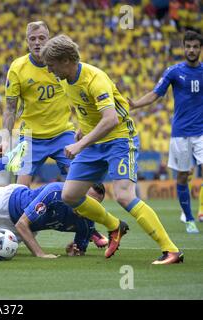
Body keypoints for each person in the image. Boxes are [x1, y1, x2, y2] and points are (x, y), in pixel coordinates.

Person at [40, 35, 183, 265]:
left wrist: (79, 144)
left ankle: (171, 251)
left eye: (51, 64)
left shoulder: (95, 79)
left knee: (124, 195)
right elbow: (86, 110)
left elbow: (110, 119)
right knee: (70, 195)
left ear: (66, 60)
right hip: (92, 142)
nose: (49, 69)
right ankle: (114, 226)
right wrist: (81, 130)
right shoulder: (65, 80)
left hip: (119, 139)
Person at [129, 30, 203, 233]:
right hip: (180, 133)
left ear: (200, 48)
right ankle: (189, 218)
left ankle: (200, 211)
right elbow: (155, 94)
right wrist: (135, 104)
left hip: (201, 132)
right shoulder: (174, 71)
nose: (191, 50)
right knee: (182, 177)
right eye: (188, 46)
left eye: (195, 46)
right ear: (183, 47)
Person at [0, 161, 109, 258]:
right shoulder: (56, 192)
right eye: (85, 198)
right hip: (6, 202)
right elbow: (21, 223)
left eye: (94, 204)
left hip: (24, 229)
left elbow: (79, 252)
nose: (87, 205)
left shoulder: (87, 223)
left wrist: (73, 252)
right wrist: (40, 254)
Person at [0, 21, 75, 186]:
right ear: (27, 42)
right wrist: (5, 139)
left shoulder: (62, 64)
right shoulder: (18, 68)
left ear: (49, 39)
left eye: (41, 38)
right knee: (19, 190)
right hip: (32, 138)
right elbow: (10, 108)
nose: (37, 42)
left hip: (62, 134)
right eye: (32, 39)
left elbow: (77, 96)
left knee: (78, 182)